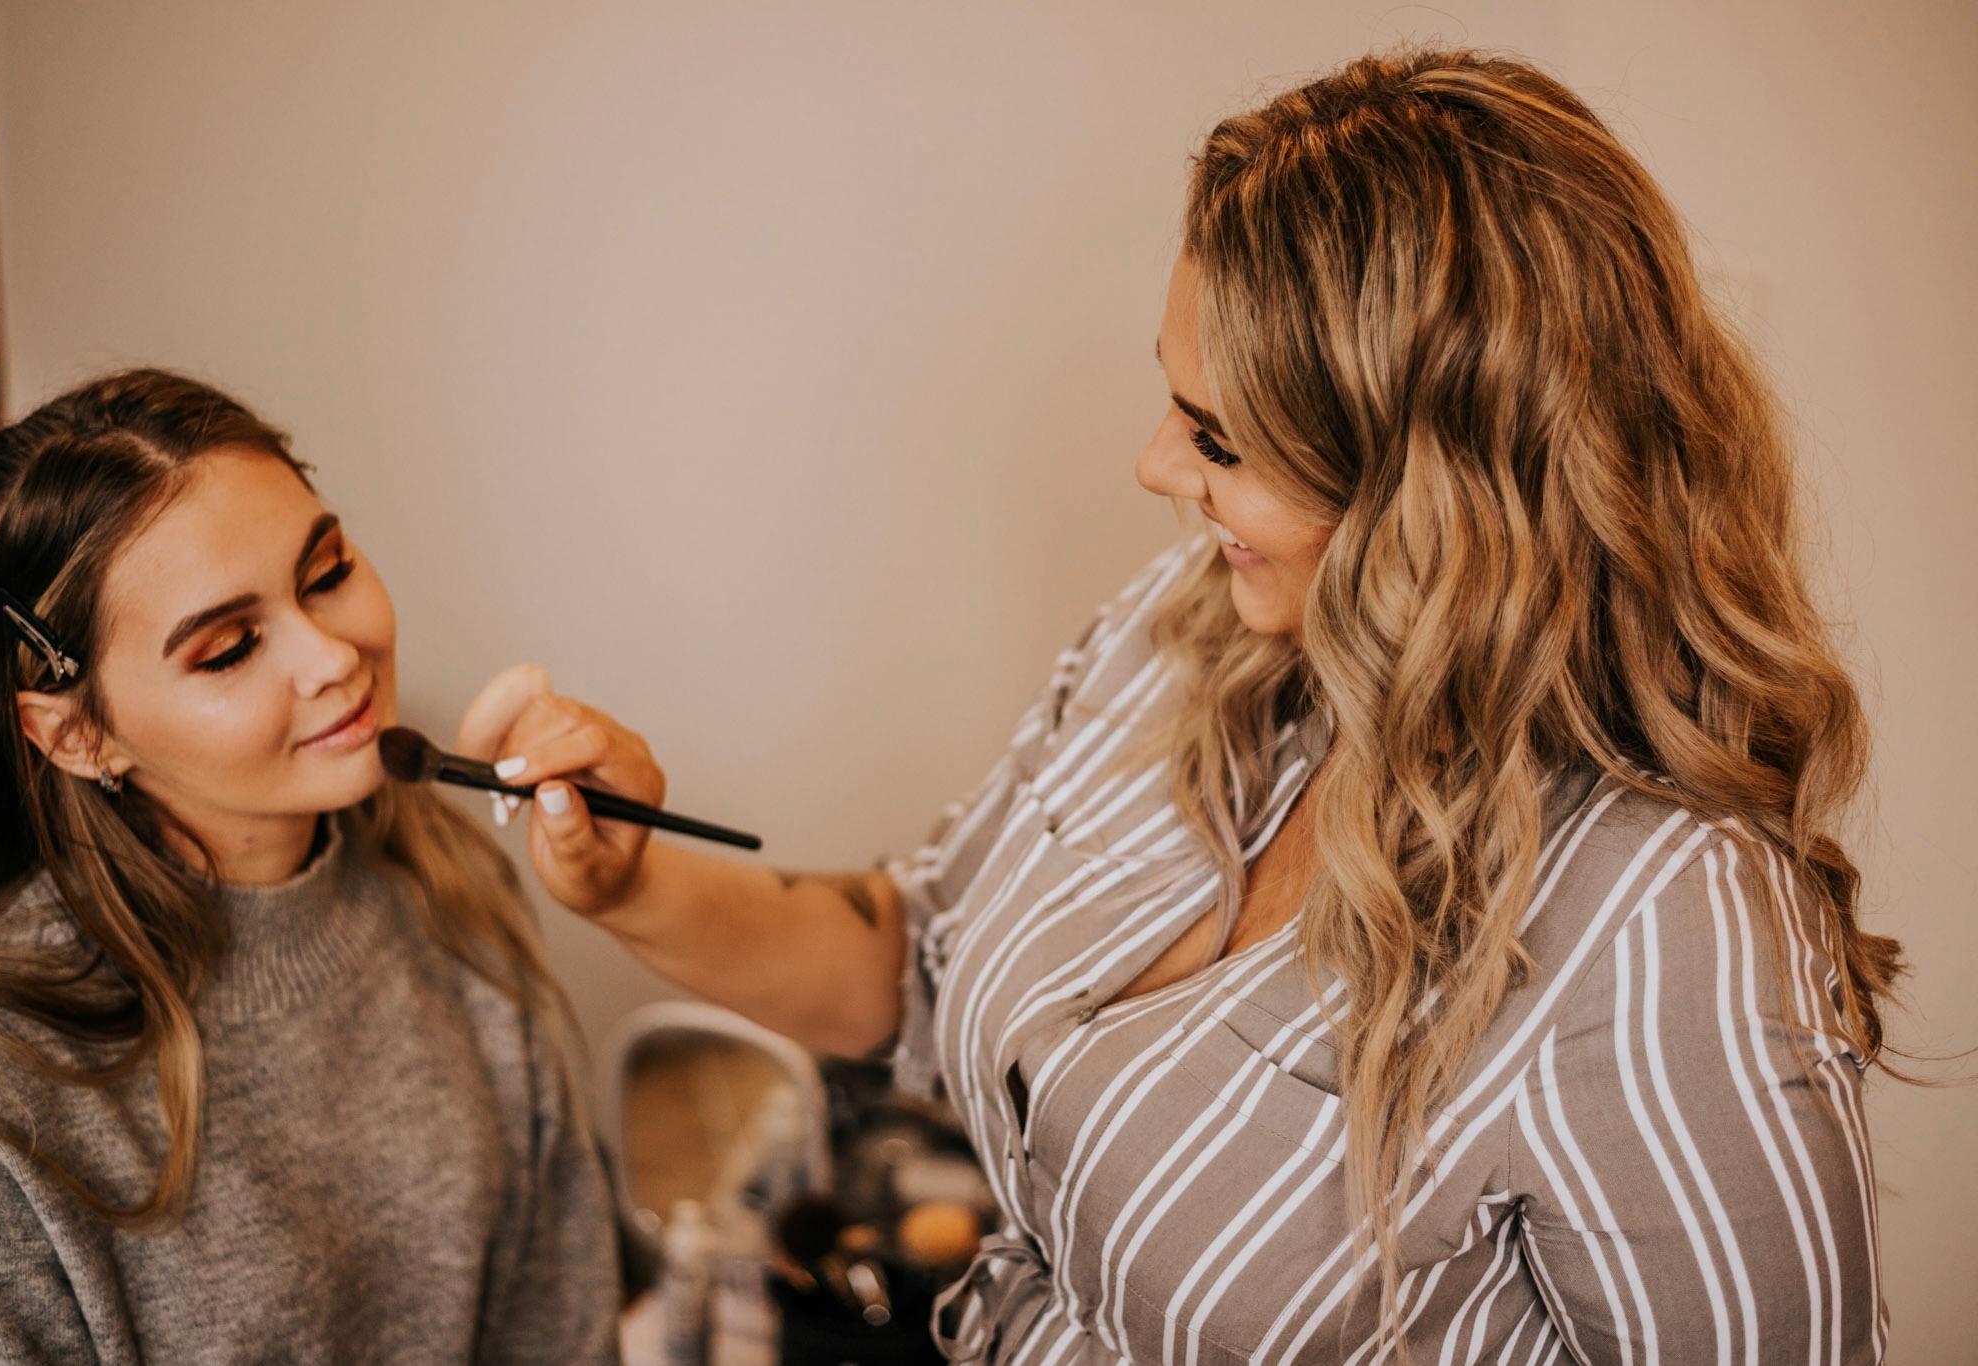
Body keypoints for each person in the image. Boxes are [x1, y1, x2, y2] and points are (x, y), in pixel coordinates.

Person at [463, 47, 1898, 1363]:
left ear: (1431, 503)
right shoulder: (1193, 628)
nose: (1154, 465)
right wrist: (628, 878)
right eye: (1175, 401)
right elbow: (918, 957)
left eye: (1216, 438)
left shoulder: (1666, 935)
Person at [0, 371, 621, 1363]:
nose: (333, 657)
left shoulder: (454, 889)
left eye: (327, 573)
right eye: (230, 647)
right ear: (77, 735)